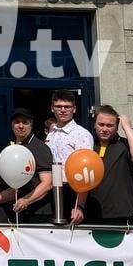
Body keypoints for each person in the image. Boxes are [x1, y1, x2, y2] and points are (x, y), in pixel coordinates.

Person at [72, 107, 133, 226]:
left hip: (121, 214)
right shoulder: (88, 145)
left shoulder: (124, 144)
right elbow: (83, 179)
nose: (105, 129)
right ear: (94, 125)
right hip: (91, 213)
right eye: (101, 124)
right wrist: (80, 206)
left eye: (110, 125)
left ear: (117, 127)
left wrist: (127, 127)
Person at [45, 90, 93, 222]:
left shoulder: (82, 134)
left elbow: (86, 171)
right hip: (51, 191)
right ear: (52, 108)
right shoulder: (51, 134)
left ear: (74, 109)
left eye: (67, 107)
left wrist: (80, 206)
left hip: (72, 191)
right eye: (58, 106)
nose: (63, 110)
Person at [9, 109, 55, 223]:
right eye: (17, 122)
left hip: (38, 213)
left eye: (25, 122)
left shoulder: (39, 148)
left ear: (31, 125)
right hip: (17, 210)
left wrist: (26, 200)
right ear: (12, 124)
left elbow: (47, 183)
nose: (21, 126)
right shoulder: (12, 148)